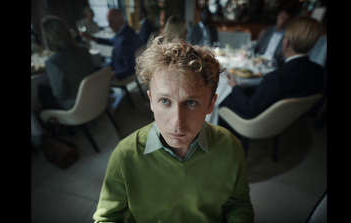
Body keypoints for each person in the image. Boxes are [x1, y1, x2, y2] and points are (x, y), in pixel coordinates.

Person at [93, 36, 254, 222]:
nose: (177, 122)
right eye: (165, 101)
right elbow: (108, 218)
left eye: (191, 102)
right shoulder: (125, 155)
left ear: (211, 104)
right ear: (151, 100)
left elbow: (238, 204)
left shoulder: (230, 148)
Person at [219, 17, 324, 147]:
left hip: (253, 120)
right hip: (284, 119)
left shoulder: (275, 78)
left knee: (220, 96)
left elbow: (250, 108)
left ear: (287, 43)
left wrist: (234, 87)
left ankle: (223, 140)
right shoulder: (319, 71)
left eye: (284, 37)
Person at [38, 15, 95, 110]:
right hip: (94, 96)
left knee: (42, 92)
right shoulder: (84, 51)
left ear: (48, 37)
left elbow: (60, 95)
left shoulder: (52, 62)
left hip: (75, 106)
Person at [83, 9, 141, 80]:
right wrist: (91, 38)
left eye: (111, 22)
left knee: (90, 72)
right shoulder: (123, 32)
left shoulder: (126, 38)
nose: (109, 25)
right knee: (92, 68)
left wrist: (113, 74)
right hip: (114, 65)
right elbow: (110, 41)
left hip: (118, 70)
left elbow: (130, 68)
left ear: (121, 20)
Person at [253, 3, 299, 67]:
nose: (282, 22)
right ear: (277, 16)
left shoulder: (288, 37)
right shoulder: (269, 30)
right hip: (258, 62)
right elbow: (256, 47)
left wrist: (270, 63)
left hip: (274, 66)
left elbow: (285, 59)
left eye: (286, 20)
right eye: (281, 18)